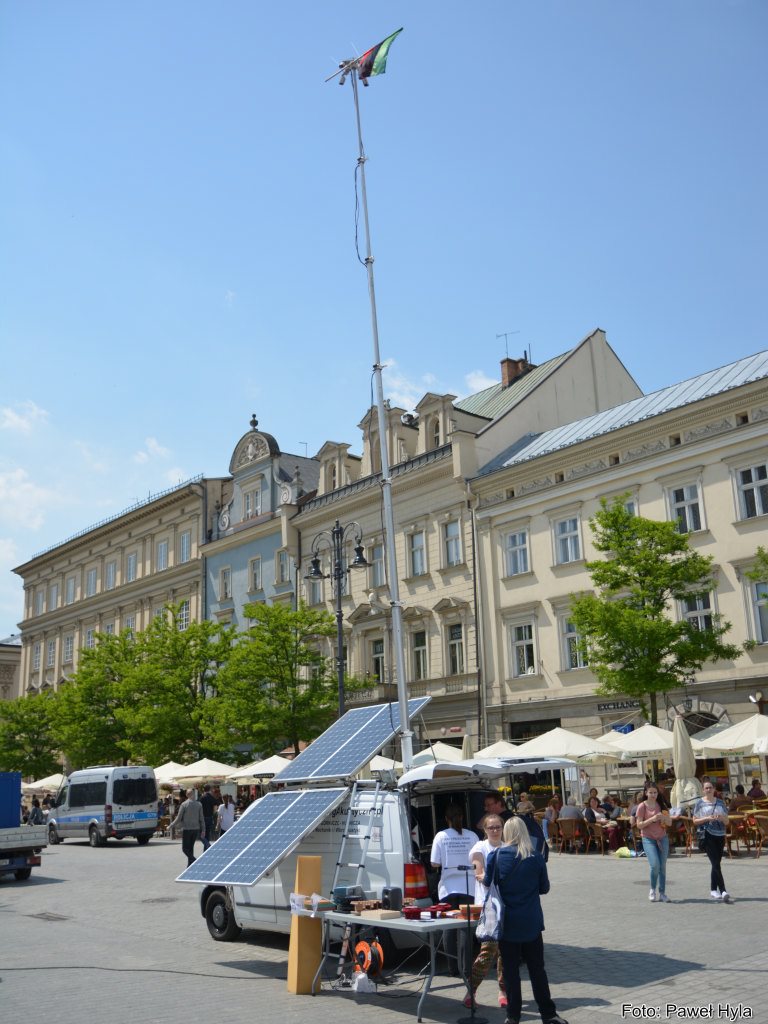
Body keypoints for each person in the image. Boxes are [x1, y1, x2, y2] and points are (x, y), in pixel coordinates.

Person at [484, 817, 568, 1024]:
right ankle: (548, 1014)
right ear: (524, 832)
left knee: (511, 971)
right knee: (537, 970)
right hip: (531, 922)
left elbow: (488, 883)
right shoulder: (535, 857)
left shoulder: (495, 856)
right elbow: (544, 888)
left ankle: (513, 1016)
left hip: (507, 923)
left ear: (506, 832)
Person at [430, 804, 478, 978]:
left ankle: (452, 968)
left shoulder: (441, 836)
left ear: (446, 819)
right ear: (462, 817)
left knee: (449, 928)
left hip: (448, 888)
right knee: (466, 928)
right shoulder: (472, 836)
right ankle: (467, 969)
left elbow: (434, 863)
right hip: (469, 887)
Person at [465, 814, 506, 1009]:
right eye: (491, 828)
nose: (495, 830)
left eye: (498, 827)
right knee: (488, 951)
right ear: (485, 830)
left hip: (505, 904)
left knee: (506, 951)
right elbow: (480, 875)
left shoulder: (507, 847)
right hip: (488, 905)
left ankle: (503, 990)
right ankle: (471, 989)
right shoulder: (479, 848)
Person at [693, 781, 730, 902]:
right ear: (703, 790)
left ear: (714, 789)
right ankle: (723, 890)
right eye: (706, 788)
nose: (708, 790)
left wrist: (721, 817)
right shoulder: (699, 803)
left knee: (716, 863)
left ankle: (713, 889)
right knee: (715, 863)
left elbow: (727, 821)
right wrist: (707, 818)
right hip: (707, 835)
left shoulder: (720, 802)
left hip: (720, 835)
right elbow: (694, 821)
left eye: (710, 787)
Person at [635, 784, 671, 902]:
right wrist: (652, 819)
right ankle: (652, 889)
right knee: (655, 865)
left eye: (655, 792)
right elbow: (639, 825)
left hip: (662, 838)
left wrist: (663, 818)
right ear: (646, 793)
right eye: (651, 792)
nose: (653, 795)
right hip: (648, 839)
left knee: (662, 866)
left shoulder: (661, 804)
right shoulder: (642, 806)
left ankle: (662, 893)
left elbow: (669, 823)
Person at [170, 787, 205, 866]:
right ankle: (189, 866)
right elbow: (201, 818)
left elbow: (178, 818)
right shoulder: (199, 804)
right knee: (190, 848)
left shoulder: (184, 804)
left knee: (185, 849)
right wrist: (203, 830)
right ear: (193, 794)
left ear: (186, 795)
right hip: (196, 829)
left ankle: (195, 861)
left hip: (187, 829)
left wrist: (171, 825)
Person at [199, 784, 218, 851]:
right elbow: (215, 809)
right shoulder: (212, 798)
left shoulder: (202, 798)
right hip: (210, 818)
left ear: (203, 789)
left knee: (200, 835)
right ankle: (205, 851)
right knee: (207, 835)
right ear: (210, 789)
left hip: (202, 818)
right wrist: (212, 814)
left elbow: (199, 808)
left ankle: (207, 845)